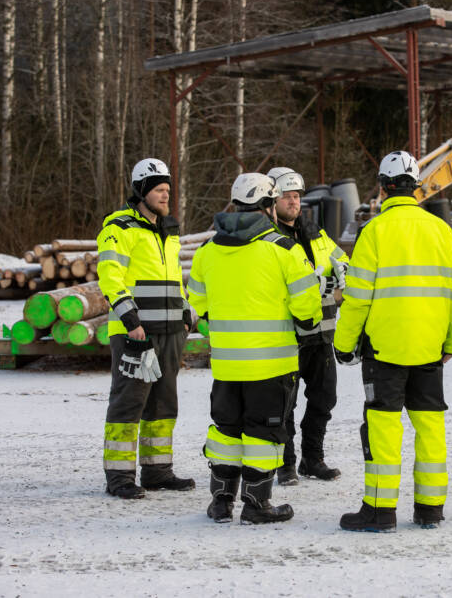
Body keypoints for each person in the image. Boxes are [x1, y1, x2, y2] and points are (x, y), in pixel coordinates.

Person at [333, 150, 452, 532]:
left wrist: (343, 344)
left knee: (384, 428)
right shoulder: (440, 230)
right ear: (417, 186)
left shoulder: (374, 230)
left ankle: (380, 510)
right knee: (430, 428)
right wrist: (451, 342)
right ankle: (430, 508)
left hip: (385, 349)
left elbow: (358, 298)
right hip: (429, 348)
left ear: (382, 187)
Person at [187, 172, 323, 524]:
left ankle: (221, 501)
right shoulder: (284, 250)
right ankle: (256, 504)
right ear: (268, 205)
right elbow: (308, 311)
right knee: (263, 434)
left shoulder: (206, 251)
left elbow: (197, 304)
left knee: (225, 430)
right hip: (271, 365)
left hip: (227, 366)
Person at [97, 157, 195, 500]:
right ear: (141, 192)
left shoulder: (170, 229)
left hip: (170, 331)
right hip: (136, 332)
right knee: (129, 402)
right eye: (158, 190)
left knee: (164, 403)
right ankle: (119, 477)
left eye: (168, 190)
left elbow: (173, 279)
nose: (165, 196)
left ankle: (157, 472)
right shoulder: (120, 228)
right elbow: (110, 277)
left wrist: (185, 311)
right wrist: (131, 321)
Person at [267, 166, 349, 486]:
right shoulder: (269, 240)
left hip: (321, 333)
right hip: (287, 337)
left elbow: (343, 265)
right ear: (272, 199)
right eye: (287, 196)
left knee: (324, 398)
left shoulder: (317, 234)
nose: (294, 201)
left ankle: (312, 458)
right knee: (285, 403)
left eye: (297, 196)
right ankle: (286, 464)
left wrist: (341, 276)